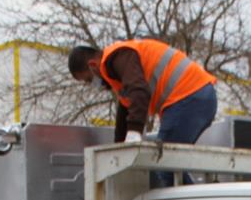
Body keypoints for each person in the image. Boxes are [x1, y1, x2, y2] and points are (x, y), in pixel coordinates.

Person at [68, 39, 217, 187]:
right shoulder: (118, 73)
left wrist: (134, 133)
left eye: (88, 79)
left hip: (190, 97)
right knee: (170, 166)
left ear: (93, 65)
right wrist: (118, 149)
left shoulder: (118, 57)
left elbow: (139, 92)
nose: (92, 84)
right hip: (196, 97)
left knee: (164, 164)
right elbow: (125, 110)